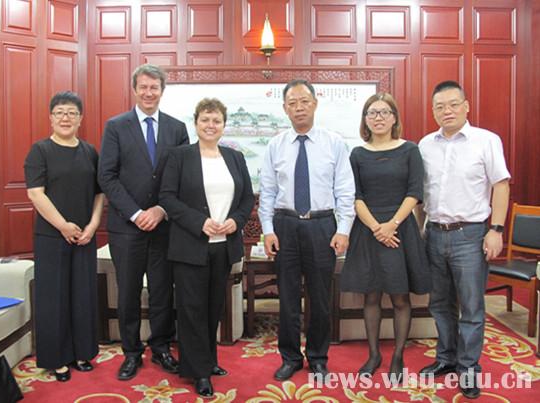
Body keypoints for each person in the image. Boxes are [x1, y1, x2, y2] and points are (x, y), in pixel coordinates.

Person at [417, 80, 510, 399]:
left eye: (453, 104)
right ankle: (446, 358)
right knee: (439, 304)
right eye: (440, 106)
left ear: (466, 106)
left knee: (471, 306)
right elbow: (421, 194)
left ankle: (468, 367)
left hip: (470, 235)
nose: (447, 111)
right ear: (433, 111)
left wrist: (496, 230)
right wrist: (420, 229)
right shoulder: (425, 145)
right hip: (434, 233)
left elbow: (501, 185)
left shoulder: (486, 140)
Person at [258, 79, 355, 381]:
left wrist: (343, 229)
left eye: (304, 101)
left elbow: (345, 190)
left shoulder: (334, 143)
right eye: (292, 103)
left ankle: (318, 357)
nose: (299, 107)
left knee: (320, 299)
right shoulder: (275, 145)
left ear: (315, 104)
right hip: (285, 225)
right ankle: (290, 357)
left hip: (322, 225)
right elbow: (268, 192)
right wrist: (268, 230)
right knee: (287, 299)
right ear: (284, 108)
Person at [98, 64, 189, 380]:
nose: (149, 93)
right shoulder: (115, 127)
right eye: (143, 87)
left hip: (164, 227)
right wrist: (136, 213)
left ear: (162, 91)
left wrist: (161, 210)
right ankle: (131, 352)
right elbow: (106, 176)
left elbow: (182, 177)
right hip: (127, 227)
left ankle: (161, 347)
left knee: (163, 291)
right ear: (134, 90)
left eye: (154, 87)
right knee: (128, 291)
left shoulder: (177, 128)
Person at [159, 98, 254, 398]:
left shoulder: (235, 157)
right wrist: (199, 222)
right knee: (192, 310)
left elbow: (246, 198)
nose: (210, 125)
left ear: (224, 125)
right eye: (205, 120)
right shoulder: (179, 156)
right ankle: (198, 371)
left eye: (216, 120)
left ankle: (208, 359)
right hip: (190, 245)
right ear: (196, 123)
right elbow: (167, 198)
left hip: (223, 246)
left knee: (213, 307)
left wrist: (236, 221)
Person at [340, 93, 431, 382]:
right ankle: (373, 354)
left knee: (400, 297)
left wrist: (391, 225)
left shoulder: (410, 150)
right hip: (368, 231)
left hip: (400, 229)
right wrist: (377, 228)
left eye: (384, 112)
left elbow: (415, 192)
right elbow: (354, 196)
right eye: (372, 113)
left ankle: (398, 355)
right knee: (371, 296)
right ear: (365, 120)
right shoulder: (357, 154)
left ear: (394, 118)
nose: (378, 117)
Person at [24, 91, 104, 381]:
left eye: (72, 112)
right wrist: (63, 226)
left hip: (85, 236)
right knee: (54, 298)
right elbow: (36, 194)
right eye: (60, 112)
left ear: (80, 118)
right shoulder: (40, 151)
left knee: (83, 295)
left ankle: (82, 353)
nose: (66, 118)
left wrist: (93, 225)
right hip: (51, 236)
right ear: (51, 117)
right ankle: (57, 359)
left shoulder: (90, 152)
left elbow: (99, 193)